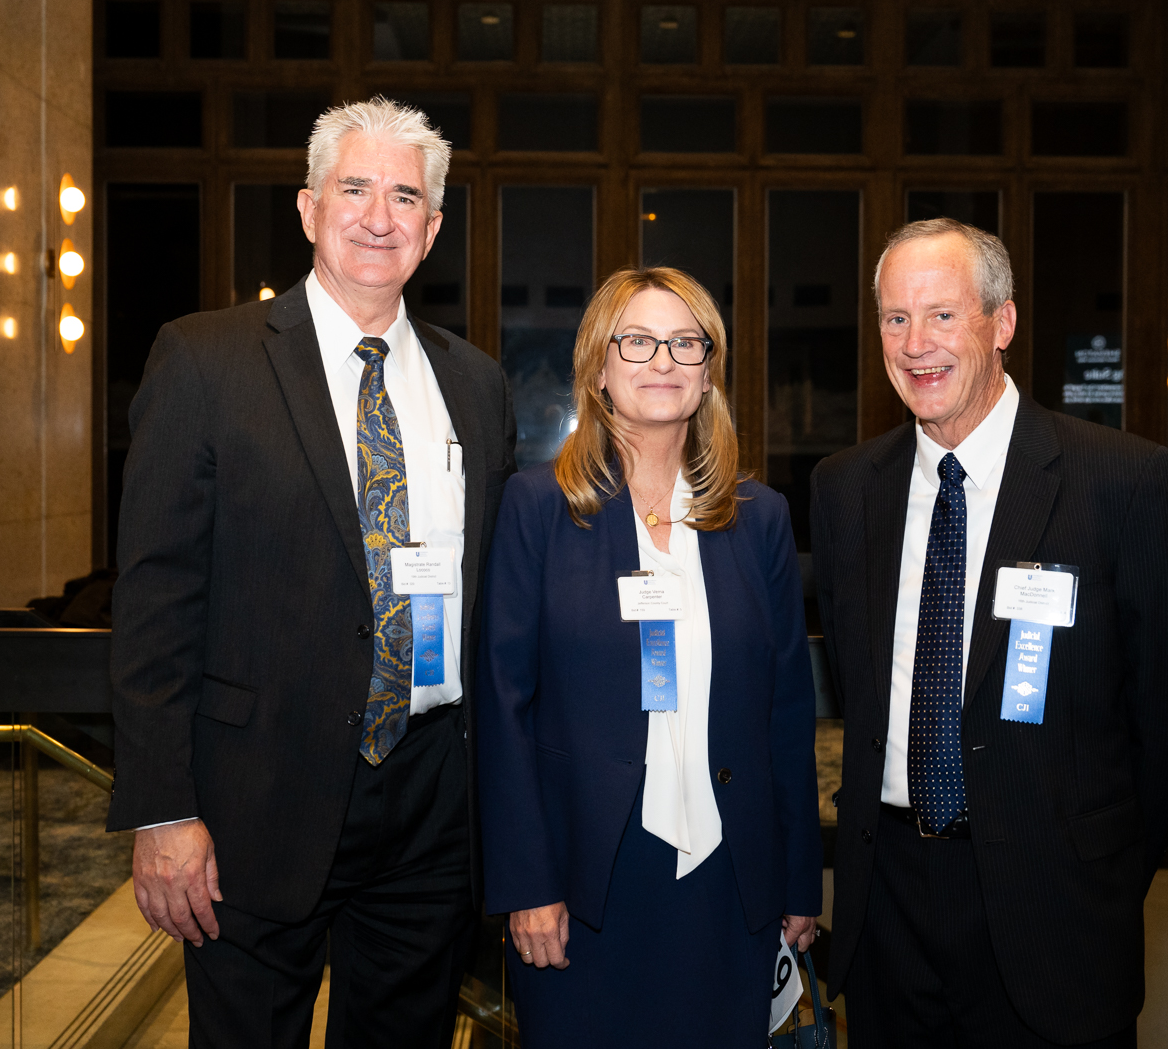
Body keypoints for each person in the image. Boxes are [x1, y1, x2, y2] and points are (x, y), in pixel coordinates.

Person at [105, 97, 516, 1048]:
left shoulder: (476, 385)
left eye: (405, 196)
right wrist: (163, 809)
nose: (380, 215)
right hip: (253, 801)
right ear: (306, 207)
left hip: (429, 806)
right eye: (356, 187)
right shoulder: (206, 360)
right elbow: (156, 598)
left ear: (434, 227)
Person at [811, 218, 1168, 1047]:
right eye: (895, 318)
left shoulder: (1121, 482)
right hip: (886, 908)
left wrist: (1092, 872)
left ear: (1001, 324)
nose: (916, 342)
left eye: (942, 315)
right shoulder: (845, 489)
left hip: (1054, 917)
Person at [476, 267, 824, 1046]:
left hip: (728, 884)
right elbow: (504, 709)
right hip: (582, 883)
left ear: (708, 374)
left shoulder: (759, 518)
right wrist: (527, 884)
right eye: (636, 341)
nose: (661, 359)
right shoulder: (538, 508)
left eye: (684, 342)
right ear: (599, 370)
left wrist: (798, 880)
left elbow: (785, 716)